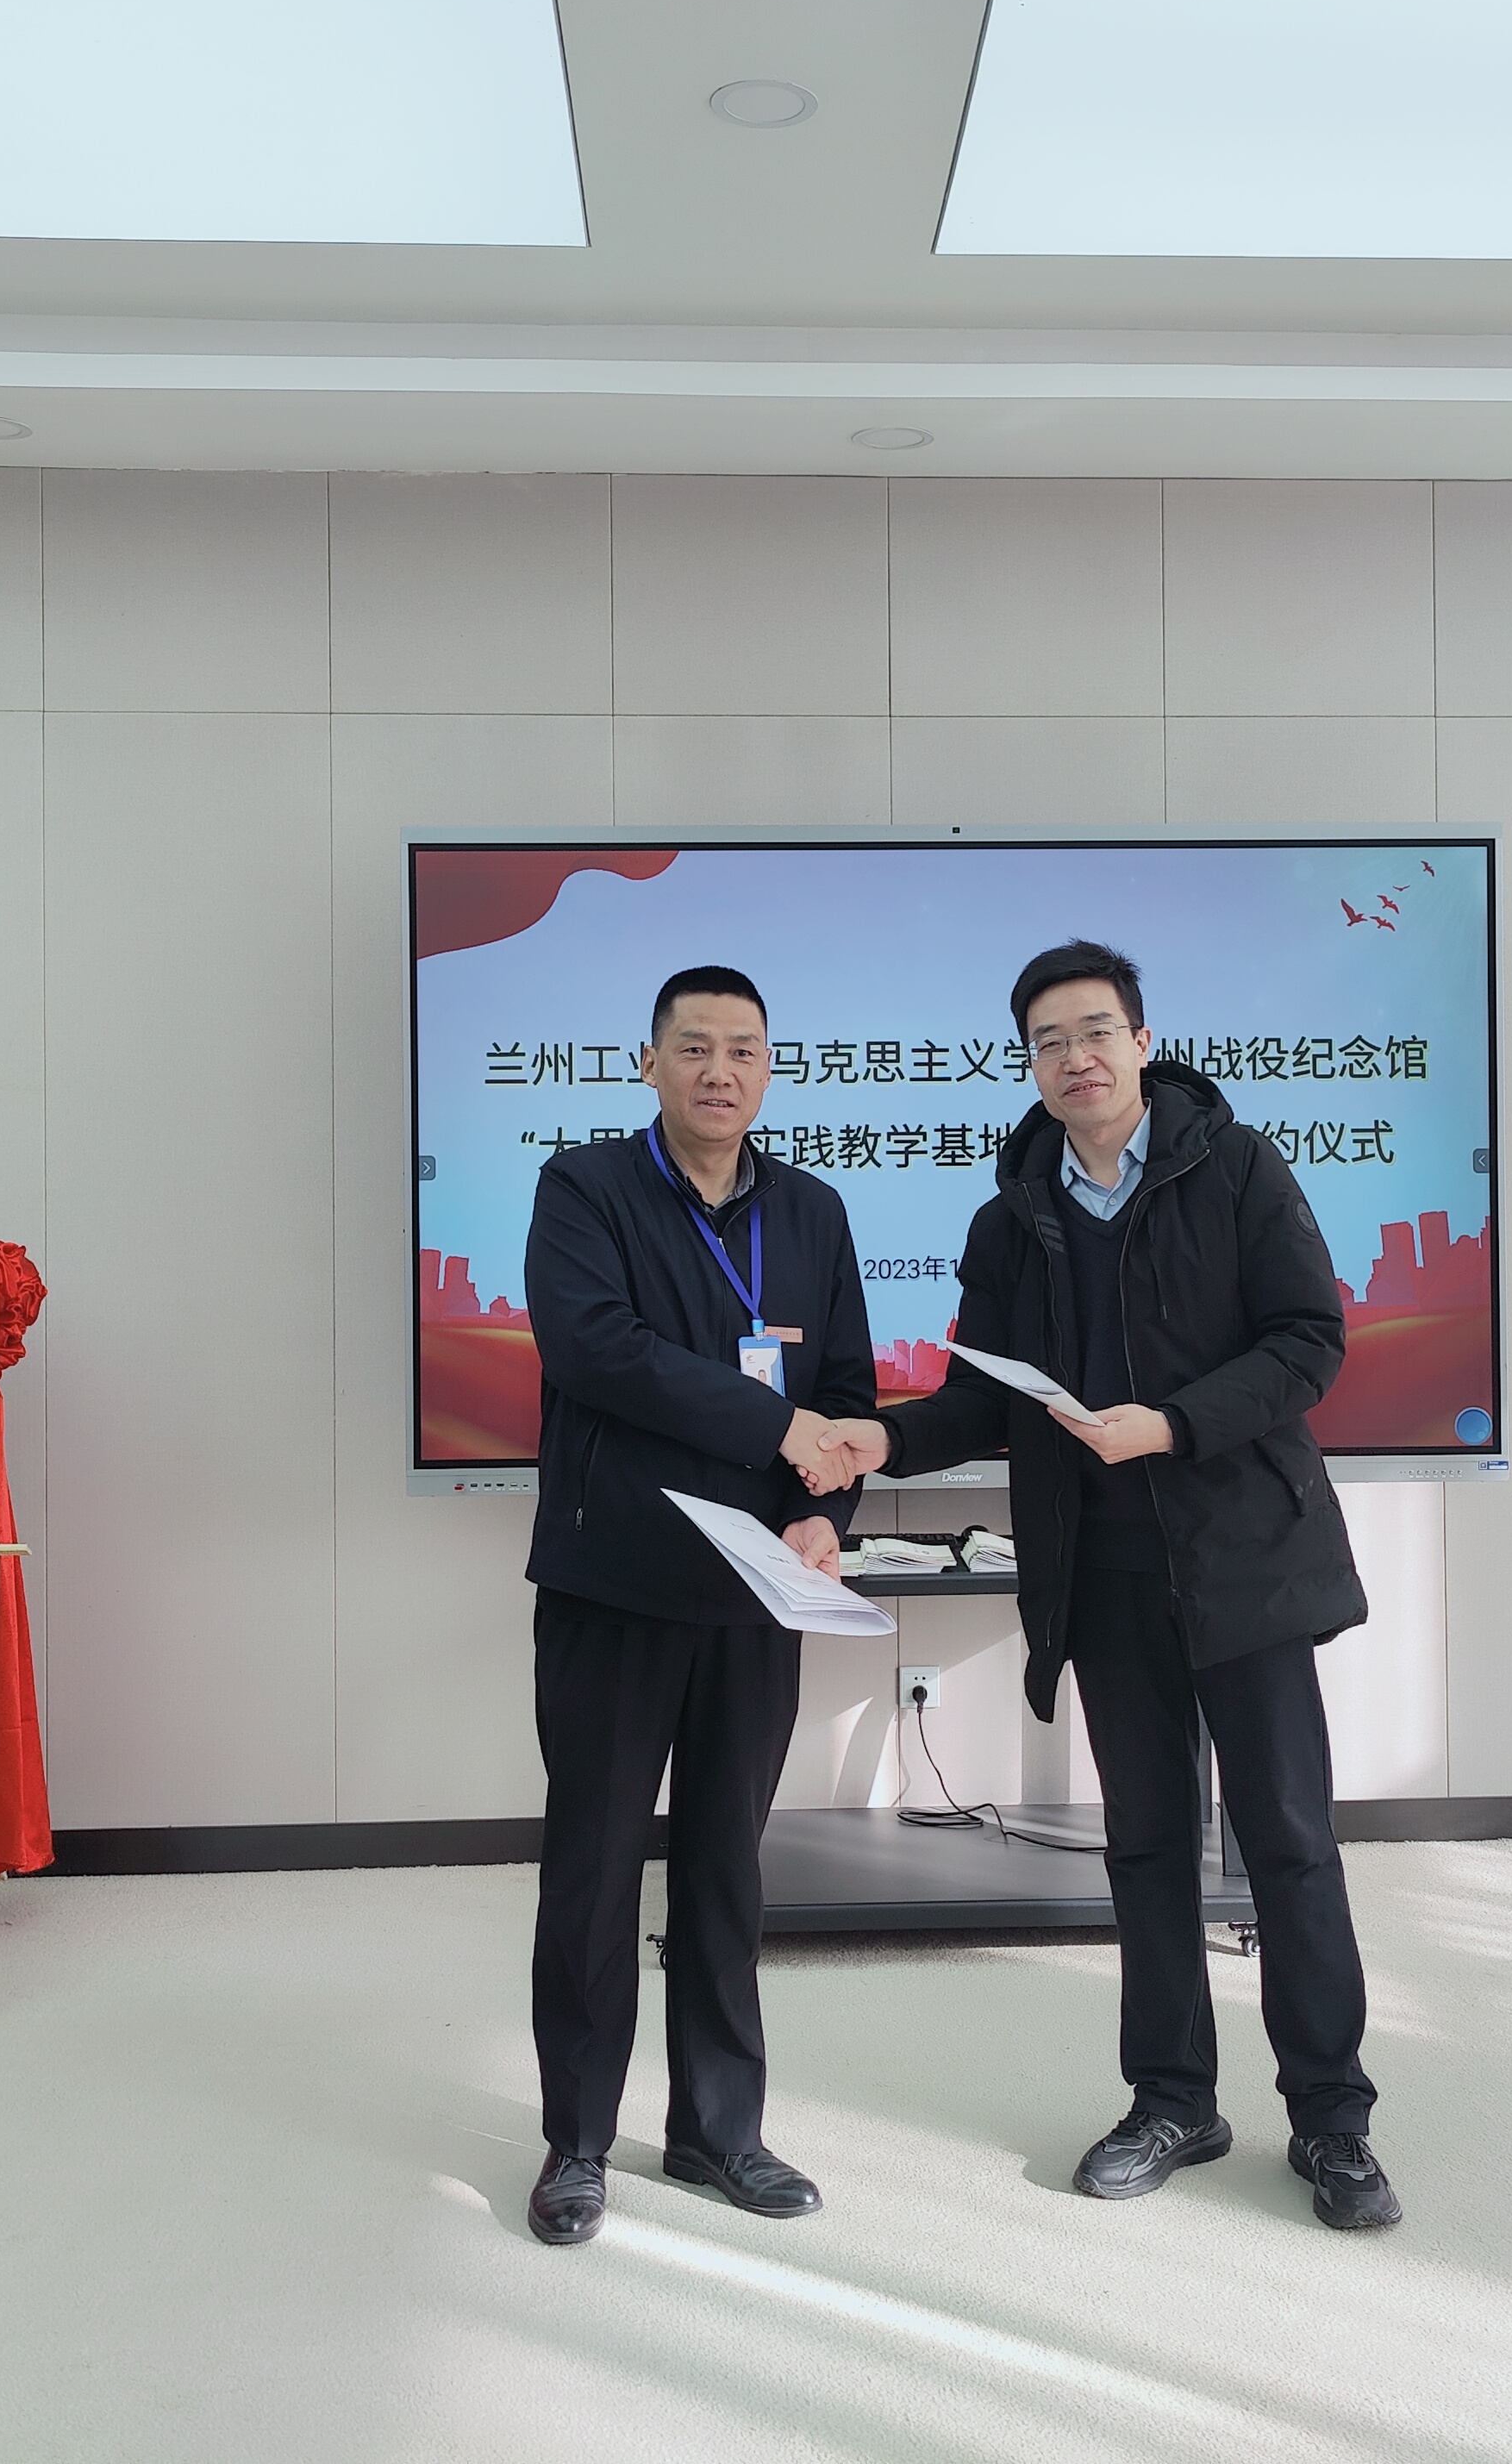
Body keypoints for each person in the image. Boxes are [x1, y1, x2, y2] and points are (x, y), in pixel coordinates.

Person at [816, 941, 1398, 2229]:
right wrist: (881, 1441)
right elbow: (983, 1397)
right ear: (1027, 1063)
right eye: (1048, 1042)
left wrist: (1175, 1425)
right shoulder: (1010, 1215)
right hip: (1104, 1571)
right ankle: (1173, 2099)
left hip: (1244, 1560)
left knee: (1288, 1840)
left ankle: (1333, 2117)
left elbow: (1310, 1343)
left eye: (1095, 1032)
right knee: (1144, 1844)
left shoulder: (1236, 1168)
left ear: (1141, 1041)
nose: (1074, 1058)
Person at [516, 963, 879, 2249]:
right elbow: (596, 1350)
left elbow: (846, 1393)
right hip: (615, 1581)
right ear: (650, 1063)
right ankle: (576, 2140)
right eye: (694, 1048)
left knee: (728, 1867)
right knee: (597, 1866)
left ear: (770, 1070)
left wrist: (830, 1514)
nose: (720, 1071)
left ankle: (719, 2130)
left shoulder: (815, 1212)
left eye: (743, 1051)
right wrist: (776, 1424)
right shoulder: (585, 1190)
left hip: (755, 1594)